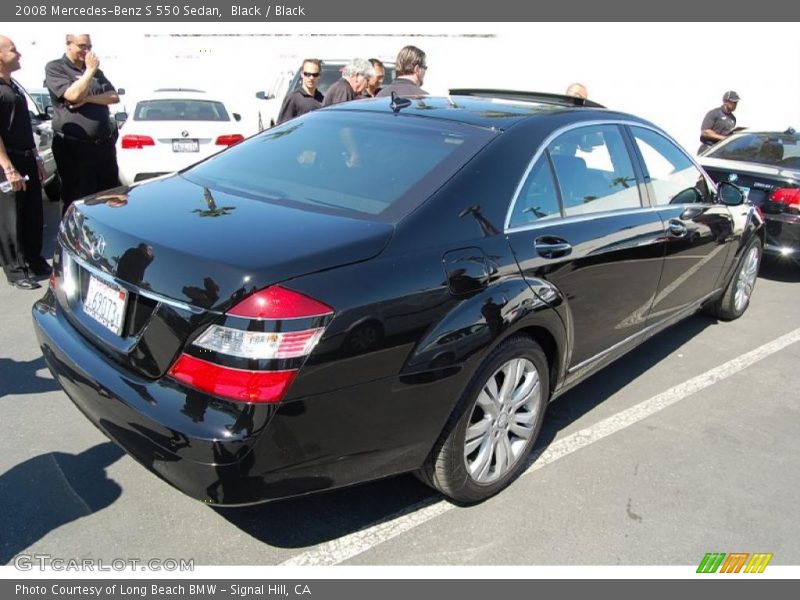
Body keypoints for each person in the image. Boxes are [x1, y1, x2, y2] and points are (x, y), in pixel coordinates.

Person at [45, 34, 120, 215]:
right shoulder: (56, 67)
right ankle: (73, 240)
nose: (86, 51)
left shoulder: (95, 72)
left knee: (108, 196)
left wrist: (88, 98)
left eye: (89, 46)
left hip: (102, 146)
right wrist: (88, 73)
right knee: (77, 198)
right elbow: (72, 96)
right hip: (74, 147)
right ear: (68, 45)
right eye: (81, 46)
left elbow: (113, 96)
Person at [0, 35, 48, 290]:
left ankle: (34, 260)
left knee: (32, 213)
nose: (19, 54)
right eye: (13, 50)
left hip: (26, 156)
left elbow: (23, 126)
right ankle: (16, 271)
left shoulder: (13, 86)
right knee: (11, 218)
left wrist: (36, 157)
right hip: (8, 160)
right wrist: (7, 167)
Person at [276, 58, 324, 125]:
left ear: (319, 76)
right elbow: (282, 127)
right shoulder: (293, 98)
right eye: (307, 74)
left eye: (315, 75)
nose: (311, 78)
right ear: (302, 74)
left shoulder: (322, 99)